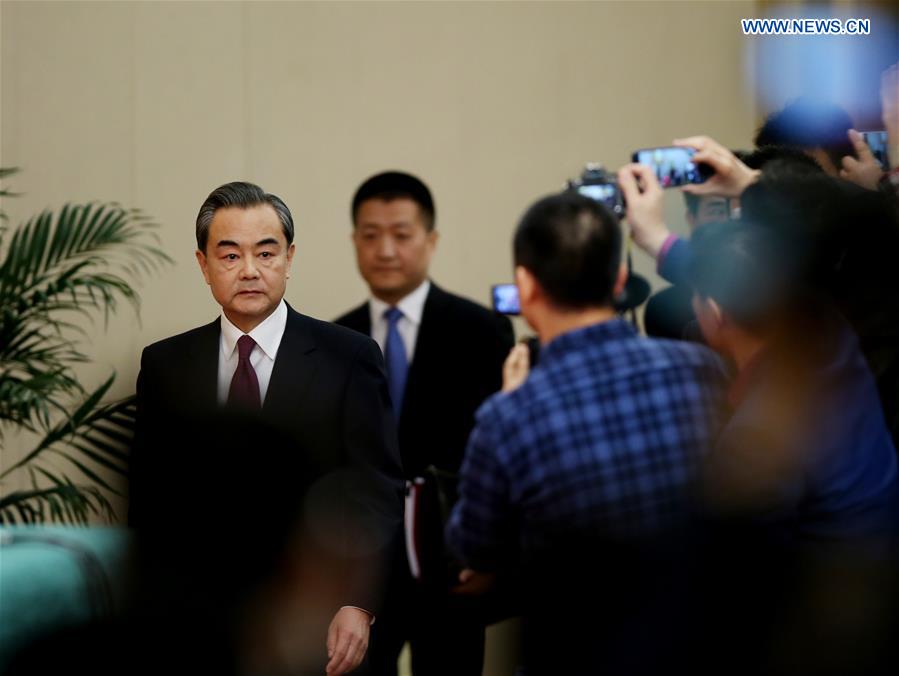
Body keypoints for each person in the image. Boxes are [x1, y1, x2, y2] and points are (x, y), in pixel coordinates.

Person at [445, 191, 729, 674]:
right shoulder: (704, 369)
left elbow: (475, 549)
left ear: (525, 287)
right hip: (711, 644)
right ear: (621, 279)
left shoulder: (511, 417)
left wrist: (510, 401)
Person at [129, 181, 405, 675]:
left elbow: (376, 488)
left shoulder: (349, 356)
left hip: (316, 615)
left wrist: (357, 603)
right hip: (194, 621)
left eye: (266, 252)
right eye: (230, 255)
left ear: (289, 257)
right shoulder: (166, 364)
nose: (250, 270)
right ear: (203, 264)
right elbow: (148, 498)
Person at [687, 219, 899, 675]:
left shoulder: (755, 435)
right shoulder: (829, 329)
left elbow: (742, 583)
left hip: (830, 624)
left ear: (716, 313)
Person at [334, 171, 514, 676]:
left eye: (402, 234)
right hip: (363, 572)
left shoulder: (481, 330)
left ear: (430, 240)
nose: (386, 250)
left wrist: (492, 551)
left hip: (454, 561)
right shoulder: (334, 339)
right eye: (370, 236)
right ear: (355, 242)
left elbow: (500, 449)